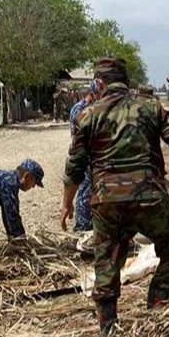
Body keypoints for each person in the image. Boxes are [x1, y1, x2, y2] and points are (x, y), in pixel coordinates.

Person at [62, 57, 169, 336]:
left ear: (99, 83)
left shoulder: (88, 115)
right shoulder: (150, 107)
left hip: (107, 203)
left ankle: (108, 329)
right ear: (126, 81)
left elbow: (74, 167)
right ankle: (158, 304)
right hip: (149, 198)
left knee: (106, 263)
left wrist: (66, 204)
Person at [68, 86, 97, 232]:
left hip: (89, 154)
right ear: (91, 94)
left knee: (91, 190)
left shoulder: (89, 108)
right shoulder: (80, 109)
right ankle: (82, 225)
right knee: (85, 190)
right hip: (83, 153)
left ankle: (89, 222)